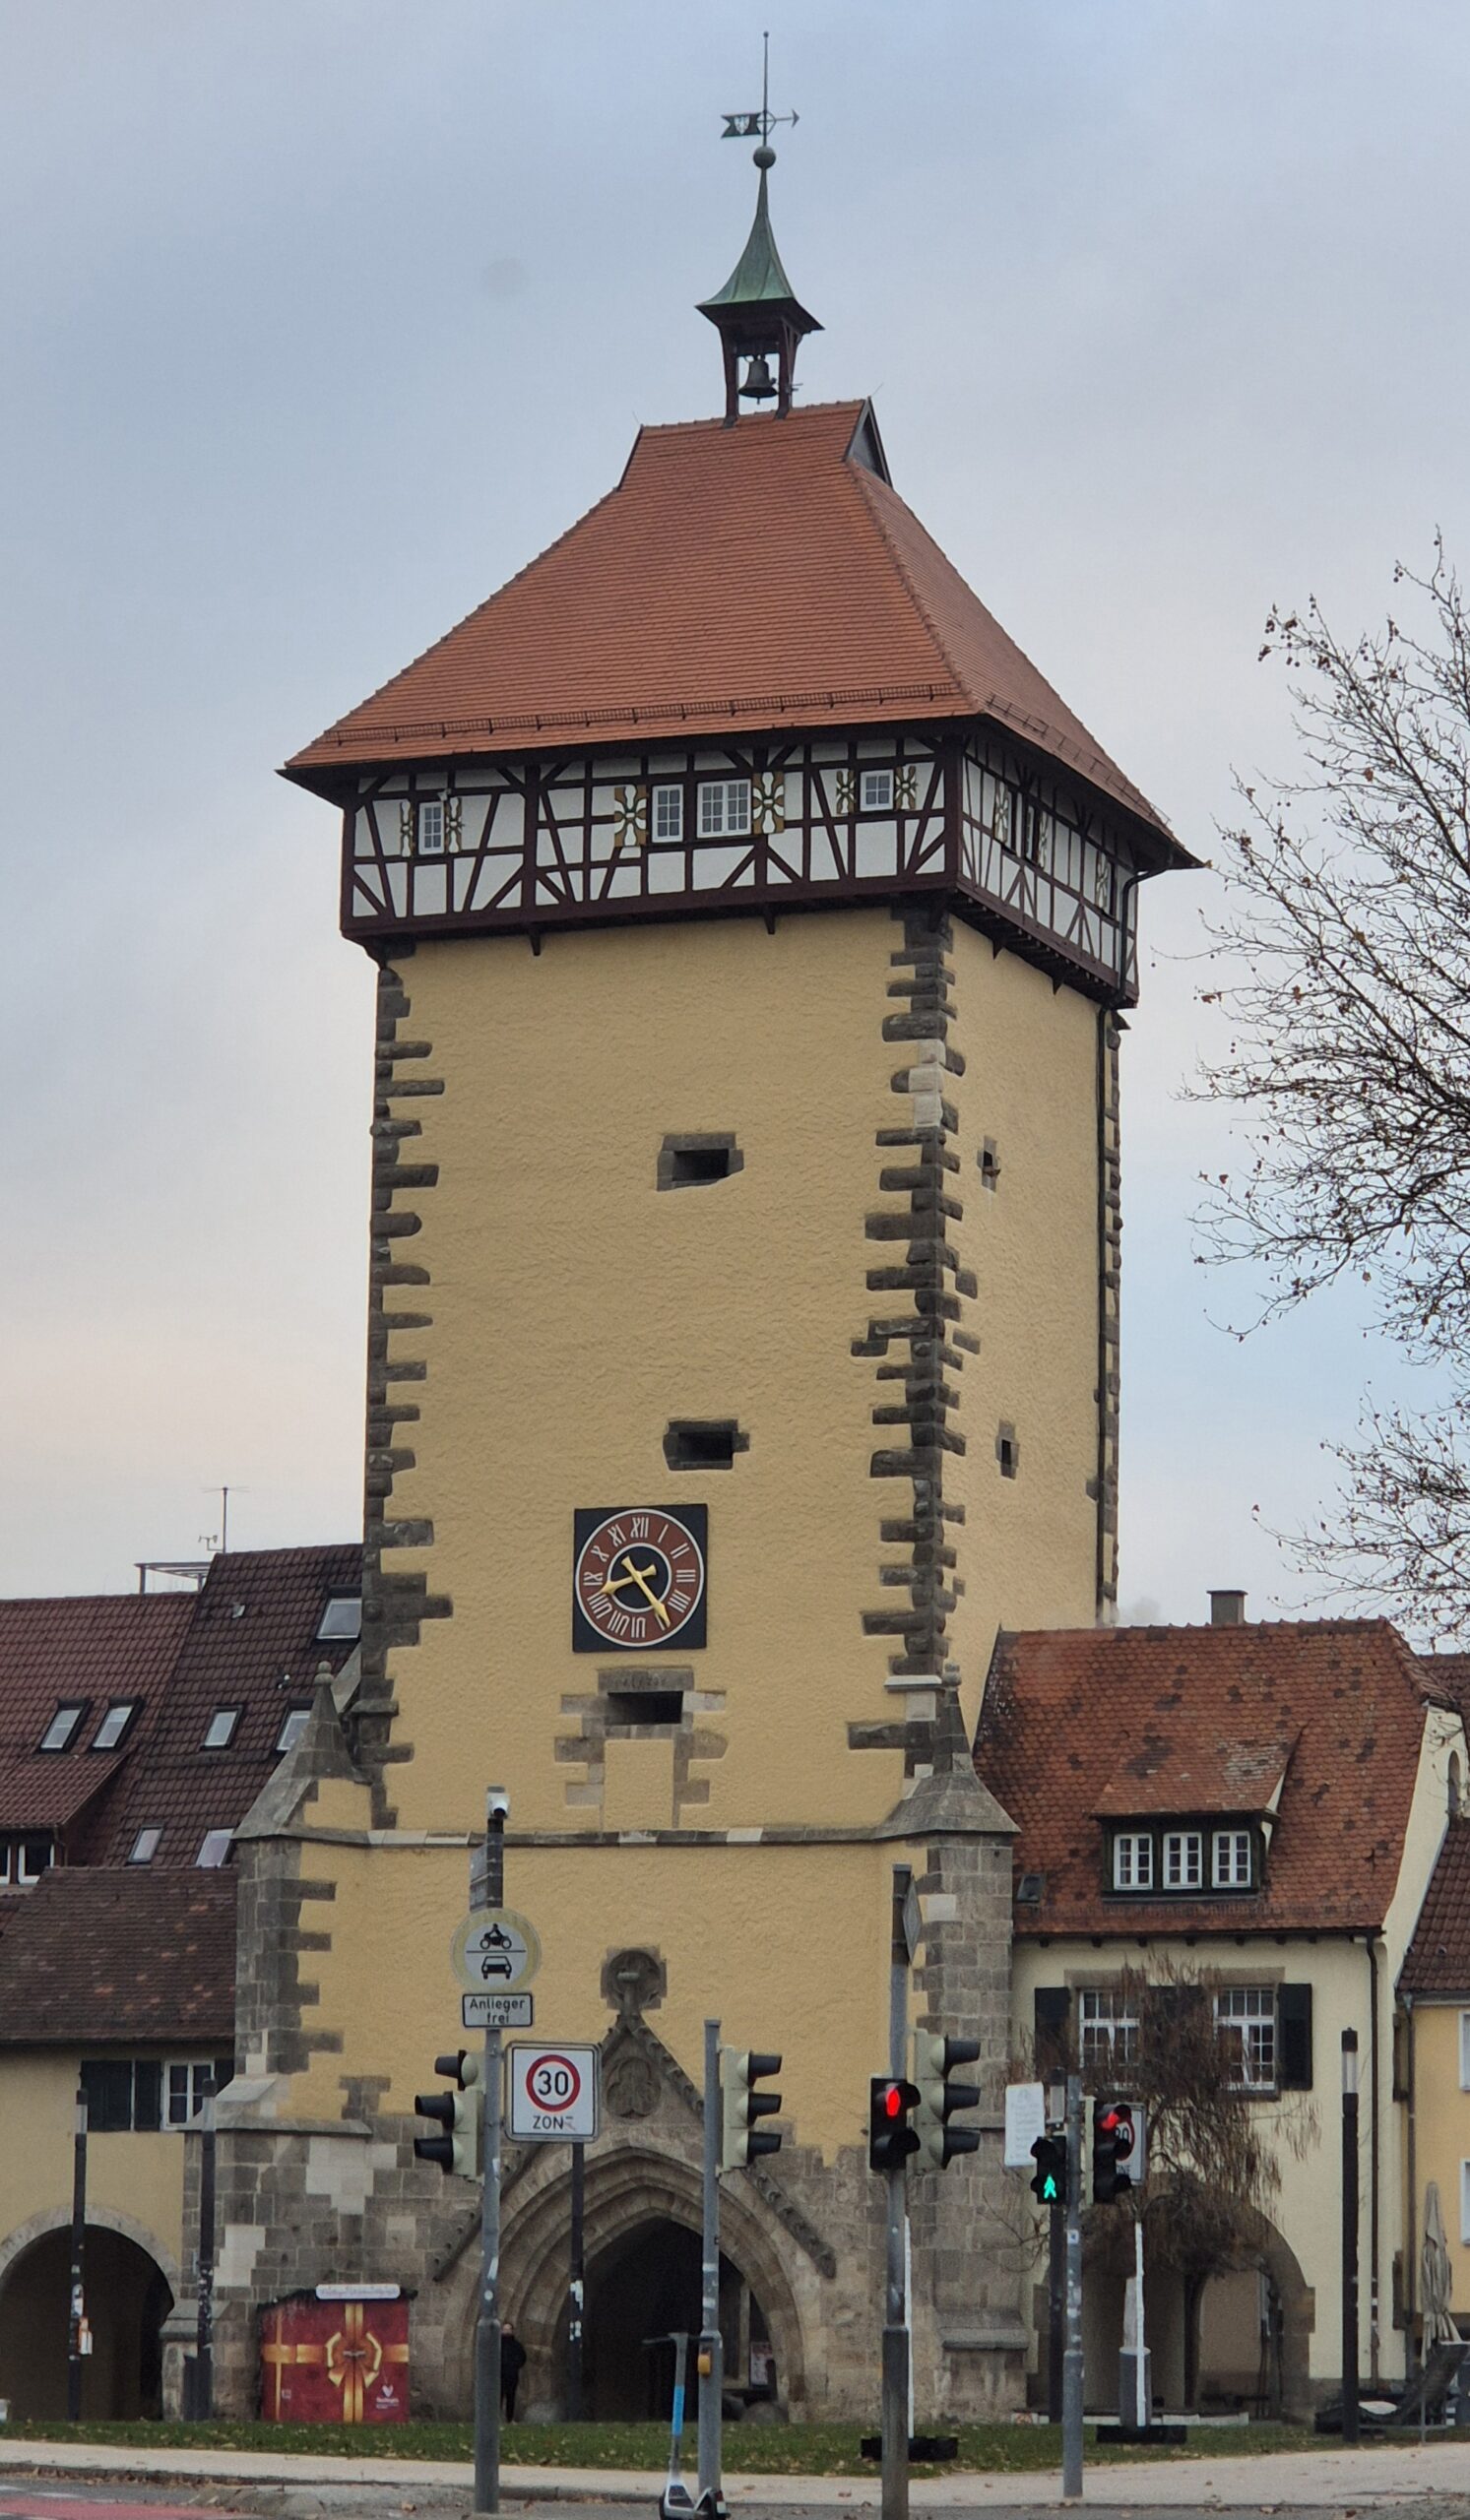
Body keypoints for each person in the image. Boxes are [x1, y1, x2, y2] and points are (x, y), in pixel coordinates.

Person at [500, 2321, 528, 2421]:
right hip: (499, 2375)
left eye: (509, 2329)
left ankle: (509, 2418)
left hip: (511, 2375)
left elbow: (522, 2357)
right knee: (498, 2396)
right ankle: (496, 2418)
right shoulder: (497, 2345)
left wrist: (515, 2366)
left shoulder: (517, 2345)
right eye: (505, 2329)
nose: (507, 2331)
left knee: (510, 2397)